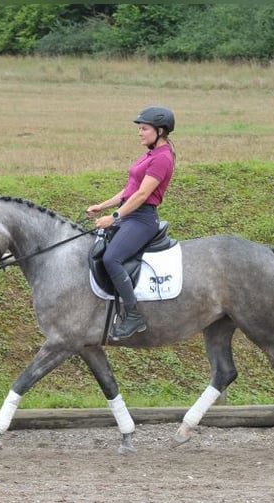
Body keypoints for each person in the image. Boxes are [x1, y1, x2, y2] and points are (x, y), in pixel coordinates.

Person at [87, 105, 176, 340]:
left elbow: (141, 196)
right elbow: (129, 190)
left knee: (111, 258)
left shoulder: (162, 158)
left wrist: (114, 217)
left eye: (144, 129)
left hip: (142, 219)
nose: (140, 133)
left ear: (160, 131)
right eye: (140, 129)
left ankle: (134, 315)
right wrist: (102, 206)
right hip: (130, 214)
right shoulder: (149, 154)